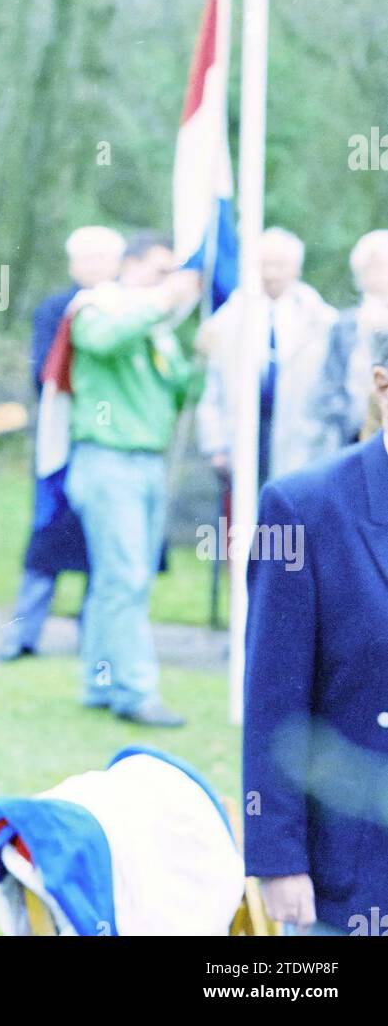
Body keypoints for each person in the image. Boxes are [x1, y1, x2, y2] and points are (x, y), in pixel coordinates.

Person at [243, 327, 388, 936]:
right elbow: (275, 700)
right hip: (354, 869)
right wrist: (279, 860)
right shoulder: (303, 508)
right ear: (382, 384)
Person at [64, 233, 200, 727]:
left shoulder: (156, 327)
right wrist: (163, 300)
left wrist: (202, 358)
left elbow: (177, 390)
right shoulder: (97, 306)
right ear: (131, 266)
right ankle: (136, 691)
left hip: (147, 460)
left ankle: (100, 681)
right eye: (158, 272)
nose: (167, 285)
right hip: (107, 459)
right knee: (125, 579)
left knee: (116, 579)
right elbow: (103, 340)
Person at [0, 226, 124, 662]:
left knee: (104, 543)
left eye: (101, 258)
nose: (92, 267)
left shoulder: (127, 309)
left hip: (110, 445)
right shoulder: (55, 309)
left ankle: (96, 637)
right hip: (60, 445)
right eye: (84, 258)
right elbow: (45, 375)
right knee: (46, 539)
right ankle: (23, 634)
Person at [197, 227, 336, 489]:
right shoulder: (230, 318)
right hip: (244, 434)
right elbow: (213, 387)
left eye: (280, 265)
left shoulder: (321, 320)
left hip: (300, 437)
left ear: (296, 268)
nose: (271, 273)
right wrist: (214, 443)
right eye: (264, 264)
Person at [317, 229, 388, 451]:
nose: (378, 276)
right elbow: (330, 385)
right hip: (353, 437)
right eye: (370, 269)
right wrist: (354, 425)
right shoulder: (344, 325)